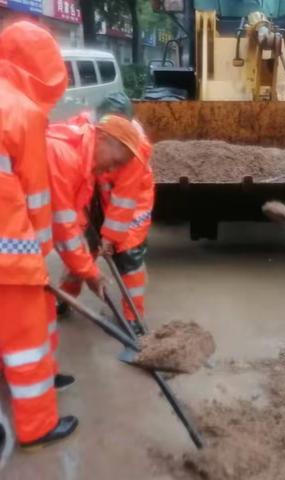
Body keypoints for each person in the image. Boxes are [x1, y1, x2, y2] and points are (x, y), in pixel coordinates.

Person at [0, 21, 78, 448]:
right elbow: (35, 196)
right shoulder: (21, 111)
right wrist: (41, 260)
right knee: (26, 337)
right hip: (9, 255)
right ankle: (36, 425)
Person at [47, 115, 144, 319]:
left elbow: (72, 223)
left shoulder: (81, 162)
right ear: (102, 139)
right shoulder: (64, 157)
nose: (112, 169)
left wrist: (92, 253)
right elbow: (63, 230)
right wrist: (91, 273)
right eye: (116, 161)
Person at [95, 94, 154, 334]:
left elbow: (123, 200)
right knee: (82, 250)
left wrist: (110, 237)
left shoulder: (134, 148)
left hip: (131, 207)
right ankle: (65, 298)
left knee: (129, 256)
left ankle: (134, 319)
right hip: (102, 198)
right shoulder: (94, 133)